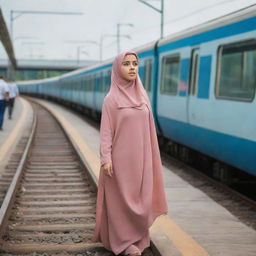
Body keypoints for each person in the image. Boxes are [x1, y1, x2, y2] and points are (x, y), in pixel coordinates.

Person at [92, 51, 168, 256]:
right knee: (120, 203)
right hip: (119, 162)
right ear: (118, 68)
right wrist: (106, 158)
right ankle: (124, 243)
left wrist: (152, 157)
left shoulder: (143, 96)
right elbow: (106, 133)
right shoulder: (111, 99)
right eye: (126, 64)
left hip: (142, 160)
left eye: (135, 64)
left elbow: (150, 130)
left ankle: (140, 237)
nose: (132, 67)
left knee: (142, 200)